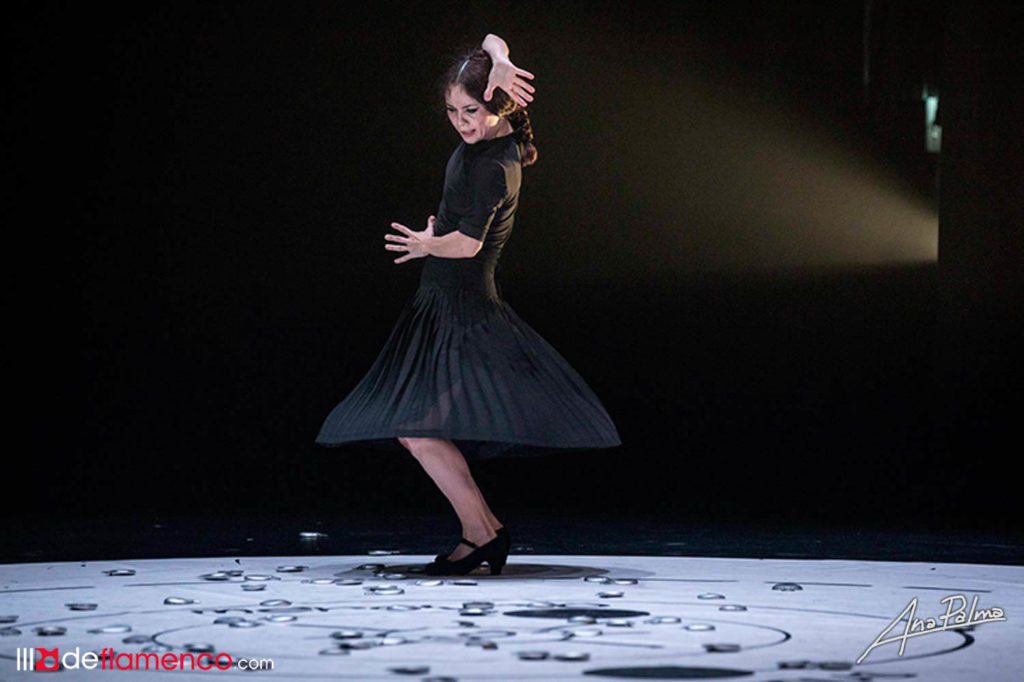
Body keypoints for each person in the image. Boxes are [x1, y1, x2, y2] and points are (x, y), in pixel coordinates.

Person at [315, 34, 621, 575]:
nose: (461, 122)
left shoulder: (494, 165)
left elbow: (469, 245)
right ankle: (484, 533)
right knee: (416, 428)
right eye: (453, 111)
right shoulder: (485, 145)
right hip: (441, 301)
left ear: (497, 105)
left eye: (471, 111)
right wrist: (500, 60)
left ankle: (483, 534)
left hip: (462, 310)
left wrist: (427, 244)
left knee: (416, 428)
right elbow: (491, 38)